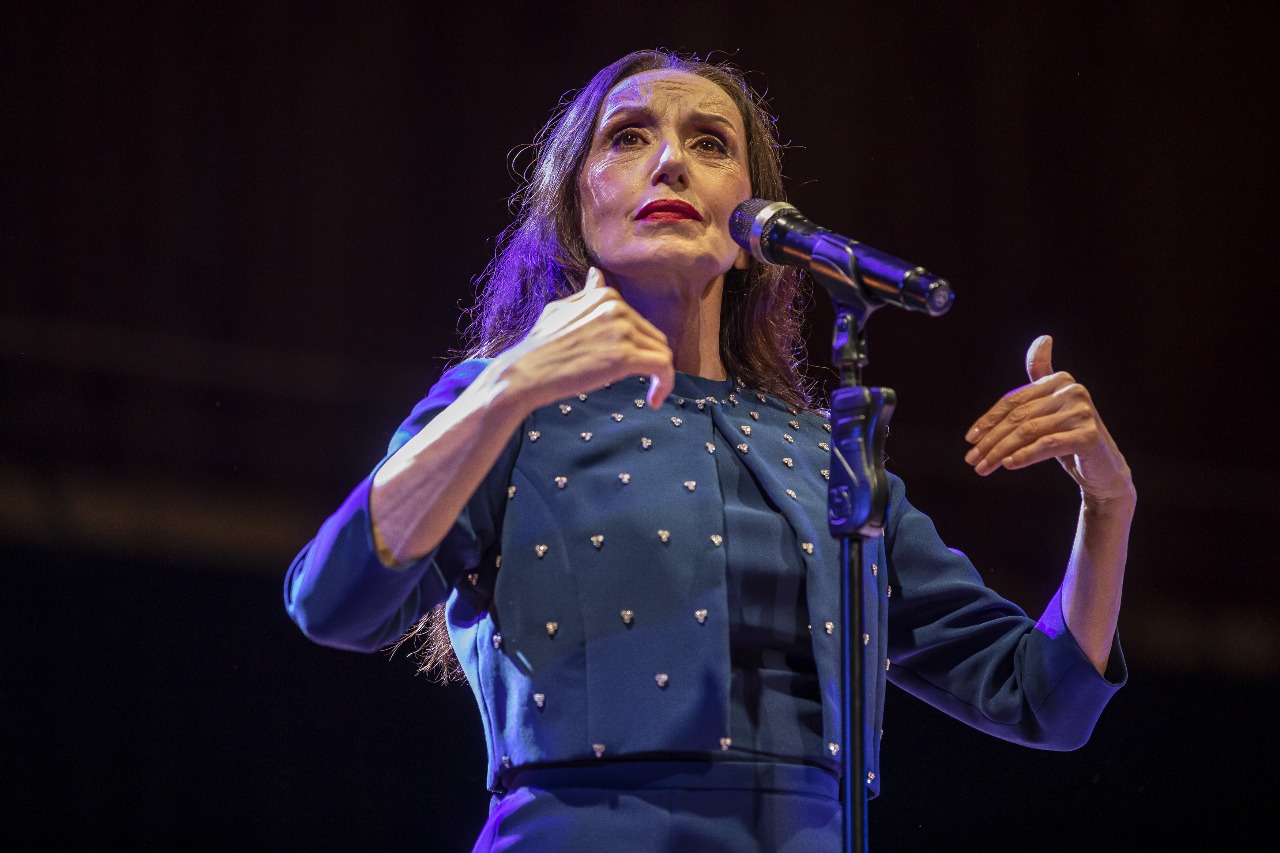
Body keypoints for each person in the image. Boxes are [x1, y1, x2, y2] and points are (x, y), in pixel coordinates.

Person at [284, 49, 1133, 852]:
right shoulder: (507, 405)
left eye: (710, 143)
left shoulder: (822, 453)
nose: (670, 163)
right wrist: (508, 385)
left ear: (753, 222)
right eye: (628, 137)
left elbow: (1041, 696)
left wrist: (1107, 505)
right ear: (574, 203)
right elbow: (333, 601)